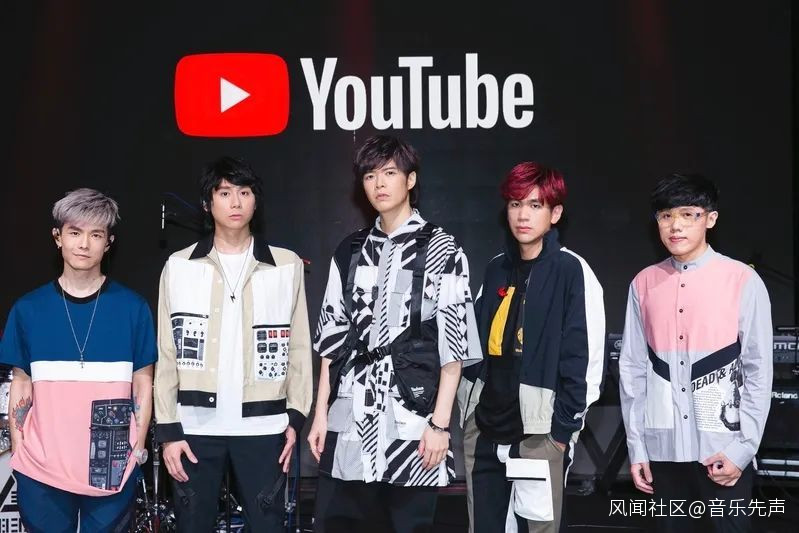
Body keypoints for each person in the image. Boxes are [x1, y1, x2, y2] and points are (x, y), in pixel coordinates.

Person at [308, 135, 482, 532]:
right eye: (370, 175)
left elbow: (454, 349)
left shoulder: (442, 249)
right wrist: (320, 415)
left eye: (389, 173)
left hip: (412, 419)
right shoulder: (349, 251)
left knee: (409, 525)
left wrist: (440, 426)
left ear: (410, 179)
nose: (379, 184)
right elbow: (332, 341)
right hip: (350, 418)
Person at [154, 156, 312, 531]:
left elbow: (299, 347)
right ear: (208, 203)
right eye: (225, 193)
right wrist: (168, 430)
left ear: (256, 201)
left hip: (264, 426)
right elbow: (166, 352)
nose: (236, 202)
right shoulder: (179, 265)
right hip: (194, 428)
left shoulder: (286, 265)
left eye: (245, 192)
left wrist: (295, 416)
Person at [619, 173, 773, 533]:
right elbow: (632, 369)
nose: (675, 225)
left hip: (722, 450)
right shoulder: (643, 283)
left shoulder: (742, 280)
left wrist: (742, 449)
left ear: (710, 219)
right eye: (666, 215)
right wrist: (638, 448)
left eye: (688, 214)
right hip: (664, 451)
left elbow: (758, 370)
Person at [459, 162, 605, 533]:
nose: (523, 215)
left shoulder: (572, 271)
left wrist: (562, 433)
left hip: (540, 432)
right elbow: (472, 346)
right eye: (515, 204)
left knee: (538, 528)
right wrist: (468, 413)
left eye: (535, 205)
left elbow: (585, 361)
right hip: (485, 428)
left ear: (555, 213)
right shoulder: (496, 268)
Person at [1, 188, 156, 532]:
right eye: (74, 232)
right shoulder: (28, 309)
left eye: (95, 235)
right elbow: (21, 383)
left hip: (111, 462)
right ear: (58, 237)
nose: (84, 244)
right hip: (41, 465)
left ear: (108, 243)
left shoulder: (133, 308)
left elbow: (143, 382)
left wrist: (137, 448)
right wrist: (19, 447)